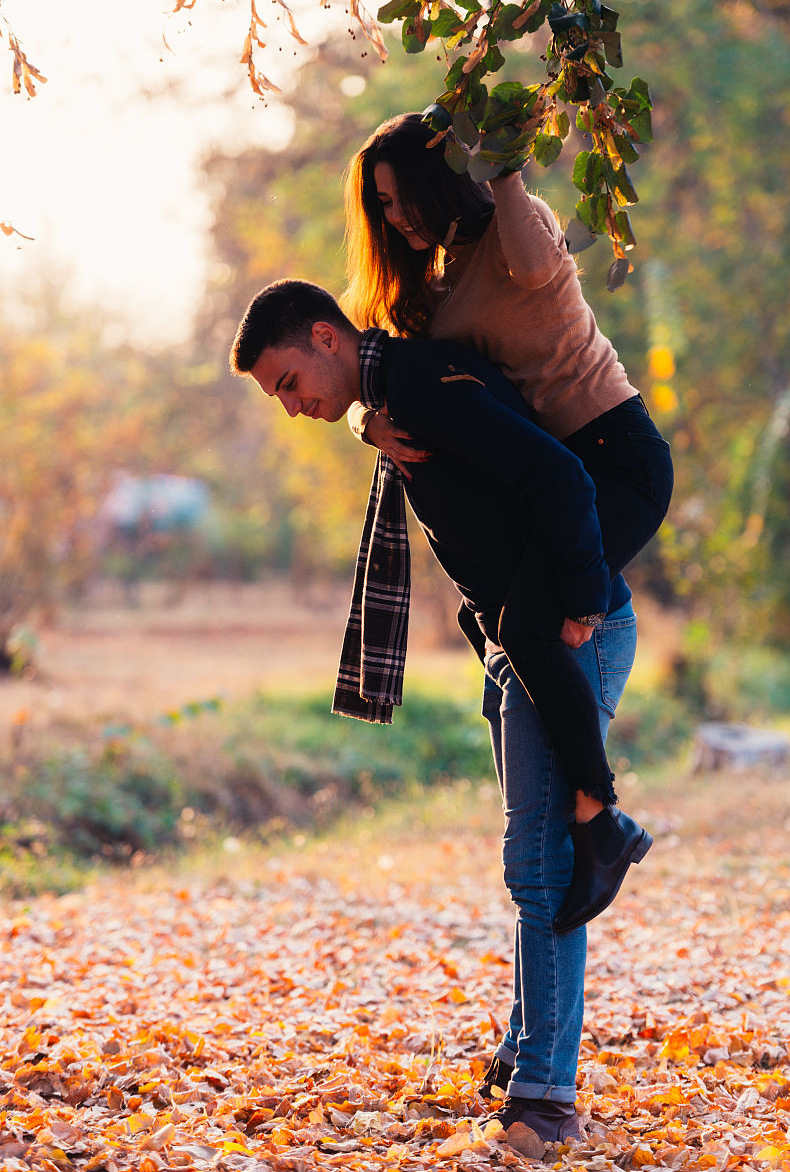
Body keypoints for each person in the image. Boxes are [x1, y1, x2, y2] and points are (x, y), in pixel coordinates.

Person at [229, 278, 646, 1145]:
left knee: (538, 866)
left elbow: (557, 474)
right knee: (531, 863)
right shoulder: (388, 396)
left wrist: (574, 602)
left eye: (287, 383)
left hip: (568, 632)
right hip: (514, 640)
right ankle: (528, 1047)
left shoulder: (414, 382)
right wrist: (357, 420)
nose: (291, 405)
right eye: (278, 397)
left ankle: (544, 1093)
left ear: (325, 337)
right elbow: (395, 409)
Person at [341, 112, 673, 935]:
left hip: (616, 457)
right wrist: (362, 423)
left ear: (437, 175)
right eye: (379, 206)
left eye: (399, 195)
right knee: (497, 618)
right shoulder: (436, 285)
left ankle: (601, 820)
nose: (394, 217)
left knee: (529, 619)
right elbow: (377, 369)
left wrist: (499, 162)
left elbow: (522, 240)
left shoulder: (518, 228)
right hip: (557, 479)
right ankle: (586, 813)